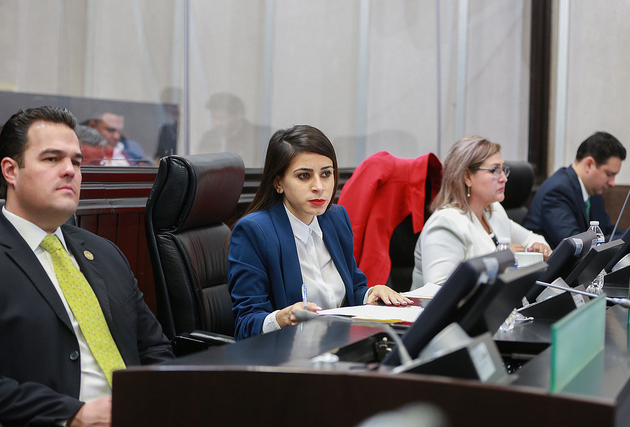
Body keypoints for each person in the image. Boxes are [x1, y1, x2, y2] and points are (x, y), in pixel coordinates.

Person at [0, 106, 174, 426]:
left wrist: (163, 401)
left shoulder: (105, 253)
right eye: (52, 159)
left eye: (76, 162)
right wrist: (72, 414)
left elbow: (154, 347)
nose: (70, 171)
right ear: (10, 171)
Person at [228, 125, 412, 340]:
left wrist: (371, 293)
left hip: (338, 343)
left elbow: (353, 290)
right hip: (287, 350)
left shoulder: (336, 218)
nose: (319, 187)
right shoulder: (254, 231)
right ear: (278, 183)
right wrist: (283, 318)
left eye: (326, 174)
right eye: (304, 176)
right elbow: (246, 324)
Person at [411, 135, 551, 289]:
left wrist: (538, 247)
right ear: (467, 177)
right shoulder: (445, 222)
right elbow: (438, 289)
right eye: (495, 170)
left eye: (503, 170)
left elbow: (532, 239)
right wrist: (500, 258)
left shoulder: (493, 210)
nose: (504, 178)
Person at [523, 131, 626, 248]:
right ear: (589, 165)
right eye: (609, 174)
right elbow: (575, 243)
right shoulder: (557, 191)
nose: (612, 183)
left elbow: (607, 231)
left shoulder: (594, 192)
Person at [199, 92, 270, 167]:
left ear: (239, 115)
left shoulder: (256, 137)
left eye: (222, 118)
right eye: (214, 117)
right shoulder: (208, 137)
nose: (217, 123)